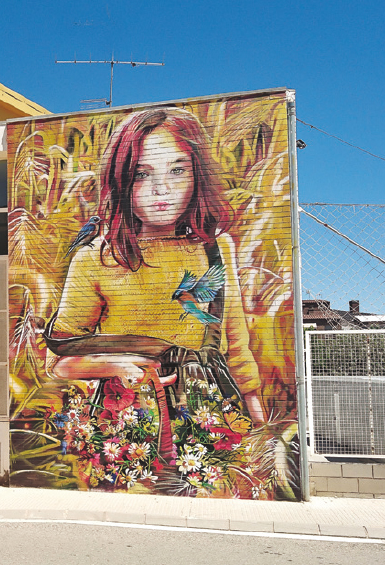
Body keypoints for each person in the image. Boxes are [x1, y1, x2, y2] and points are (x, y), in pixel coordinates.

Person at [43, 107, 265, 491]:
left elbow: (235, 347)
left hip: (204, 415)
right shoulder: (98, 258)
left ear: (197, 176)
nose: (161, 189)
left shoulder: (215, 250)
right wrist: (114, 365)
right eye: (143, 174)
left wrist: (260, 427)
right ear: (121, 182)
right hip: (129, 422)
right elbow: (58, 361)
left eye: (177, 170)